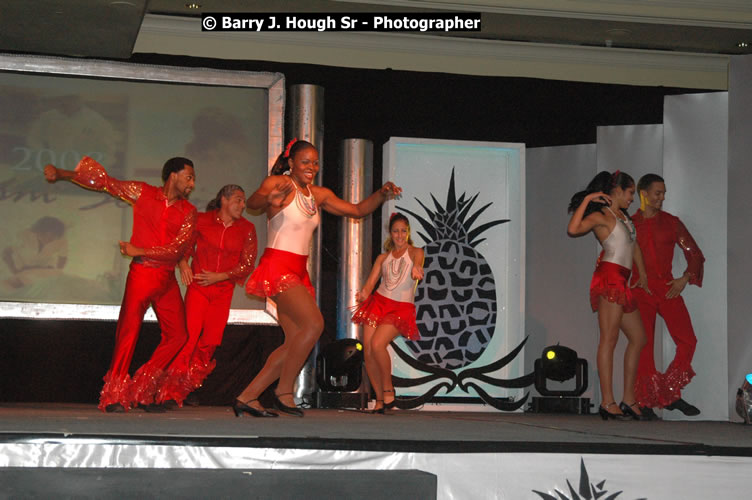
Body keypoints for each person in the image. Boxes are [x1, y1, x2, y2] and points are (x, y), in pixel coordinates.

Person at [233, 138, 402, 418]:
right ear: (291, 163)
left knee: (295, 339)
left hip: (298, 271)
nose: (312, 166)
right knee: (314, 324)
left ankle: (248, 396)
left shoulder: (318, 195)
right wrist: (269, 200)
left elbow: (357, 210)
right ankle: (283, 392)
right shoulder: (277, 184)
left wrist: (382, 194)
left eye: (315, 162)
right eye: (305, 161)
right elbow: (252, 203)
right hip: (278, 266)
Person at [44, 156, 197, 412]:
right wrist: (62, 173)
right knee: (128, 333)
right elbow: (106, 182)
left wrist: (141, 248)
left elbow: (176, 249)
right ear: (173, 175)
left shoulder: (188, 212)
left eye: (193, 179)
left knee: (179, 335)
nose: (192, 183)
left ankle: (142, 387)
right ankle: (113, 396)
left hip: (166, 278)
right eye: (189, 177)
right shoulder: (143, 193)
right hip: (142, 275)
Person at [156, 185, 257, 407]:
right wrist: (183, 265)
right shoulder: (201, 220)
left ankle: (186, 387)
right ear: (224, 200)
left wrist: (221, 276)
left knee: (209, 343)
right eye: (238, 200)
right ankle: (169, 392)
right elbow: (184, 247)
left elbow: (247, 264)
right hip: (200, 288)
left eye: (244, 201)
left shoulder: (247, 228)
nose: (243, 205)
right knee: (189, 338)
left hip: (223, 291)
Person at [567, 170, 649, 420]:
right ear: (616, 191)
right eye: (630, 192)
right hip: (610, 279)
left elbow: (633, 246)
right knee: (609, 340)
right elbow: (573, 229)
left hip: (623, 280)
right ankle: (607, 402)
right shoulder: (601, 216)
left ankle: (628, 399)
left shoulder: (623, 217)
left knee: (639, 338)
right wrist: (587, 199)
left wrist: (642, 275)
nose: (632, 198)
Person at [631, 174, 704, 419]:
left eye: (663, 193)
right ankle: (645, 401)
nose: (662, 198)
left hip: (667, 287)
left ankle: (670, 392)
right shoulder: (630, 225)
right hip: (641, 290)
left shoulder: (672, 223)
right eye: (657, 193)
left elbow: (694, 254)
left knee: (688, 340)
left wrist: (685, 278)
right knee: (644, 345)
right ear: (643, 193)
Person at [351, 212, 424, 413]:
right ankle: (380, 400)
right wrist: (364, 293)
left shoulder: (416, 251)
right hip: (379, 303)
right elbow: (371, 283)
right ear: (390, 233)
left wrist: (417, 268)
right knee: (368, 350)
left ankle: (388, 388)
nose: (399, 235)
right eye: (395, 231)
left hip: (400, 308)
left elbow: (418, 262)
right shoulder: (383, 257)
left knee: (377, 344)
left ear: (408, 232)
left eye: (403, 231)